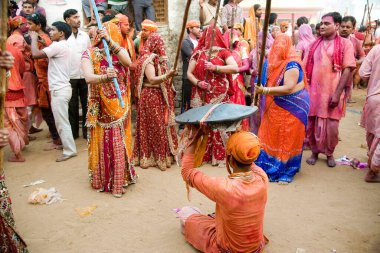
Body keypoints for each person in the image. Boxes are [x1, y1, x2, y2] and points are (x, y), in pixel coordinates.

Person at [178, 130, 268, 253]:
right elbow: (245, 157)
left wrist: (194, 138)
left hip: (227, 249)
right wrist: (234, 135)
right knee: (219, 217)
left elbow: (187, 172)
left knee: (188, 214)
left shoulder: (224, 188)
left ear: (230, 160)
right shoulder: (262, 177)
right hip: (255, 248)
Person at [81, 22, 137, 197]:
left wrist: (111, 43)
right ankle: (105, 180)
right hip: (101, 108)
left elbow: (128, 62)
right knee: (106, 142)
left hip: (120, 107)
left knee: (119, 143)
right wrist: (105, 77)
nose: (94, 38)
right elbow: (89, 78)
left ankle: (120, 181)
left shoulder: (117, 51)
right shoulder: (89, 54)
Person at [254, 34, 310, 183]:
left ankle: (287, 170)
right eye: (276, 45)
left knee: (288, 136)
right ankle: (268, 164)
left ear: (288, 47)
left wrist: (264, 91)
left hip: (292, 106)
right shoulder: (270, 62)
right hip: (274, 107)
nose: (278, 49)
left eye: (282, 46)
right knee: (273, 135)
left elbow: (289, 88)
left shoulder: (292, 64)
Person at [304, 12, 356, 167]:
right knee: (312, 123)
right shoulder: (313, 44)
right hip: (314, 92)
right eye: (322, 23)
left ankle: (329, 153)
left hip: (333, 91)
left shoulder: (346, 44)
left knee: (332, 127)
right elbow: (304, 65)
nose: (322, 26)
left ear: (337, 26)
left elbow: (348, 69)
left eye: (327, 23)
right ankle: (314, 151)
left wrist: (338, 93)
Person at [187, 26, 238, 166]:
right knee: (202, 123)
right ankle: (202, 154)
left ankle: (220, 156)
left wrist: (216, 68)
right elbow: (189, 73)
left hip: (219, 94)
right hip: (201, 94)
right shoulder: (198, 53)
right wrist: (198, 82)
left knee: (219, 123)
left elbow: (235, 68)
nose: (210, 37)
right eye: (208, 34)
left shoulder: (223, 53)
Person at [31, 21, 78, 162]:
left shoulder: (58, 46)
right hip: (63, 88)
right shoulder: (64, 45)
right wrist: (43, 43)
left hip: (59, 89)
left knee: (62, 122)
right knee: (62, 121)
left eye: (53, 30)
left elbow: (35, 54)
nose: (50, 32)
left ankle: (69, 150)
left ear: (61, 33)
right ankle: (67, 146)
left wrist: (33, 39)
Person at [133, 32, 178, 171]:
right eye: (160, 43)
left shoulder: (159, 59)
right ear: (154, 44)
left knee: (162, 125)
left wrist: (169, 77)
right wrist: (168, 75)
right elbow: (152, 79)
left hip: (159, 96)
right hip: (150, 96)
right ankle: (153, 158)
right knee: (155, 126)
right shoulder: (148, 59)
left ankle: (164, 155)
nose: (162, 46)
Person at [27, 13, 62, 151]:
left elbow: (44, 60)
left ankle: (57, 140)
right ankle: (56, 138)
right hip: (44, 80)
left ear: (39, 25)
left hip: (46, 81)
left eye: (30, 24)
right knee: (48, 111)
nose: (28, 27)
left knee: (48, 112)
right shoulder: (42, 39)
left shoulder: (42, 40)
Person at [8, 16, 41, 137]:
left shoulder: (13, 38)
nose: (27, 26)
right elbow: (18, 57)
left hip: (21, 73)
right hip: (24, 73)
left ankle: (27, 130)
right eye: (25, 24)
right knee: (28, 103)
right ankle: (24, 132)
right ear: (19, 26)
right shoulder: (17, 38)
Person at [64, 9, 91, 140]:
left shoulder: (84, 36)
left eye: (78, 17)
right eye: (75, 17)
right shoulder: (63, 37)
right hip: (70, 76)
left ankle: (87, 133)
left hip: (84, 75)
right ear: (67, 20)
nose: (78, 19)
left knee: (86, 104)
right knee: (72, 106)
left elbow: (89, 54)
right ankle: (73, 134)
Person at [359, 45, 380, 183]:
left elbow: (363, 73)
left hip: (374, 98)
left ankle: (372, 162)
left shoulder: (377, 49)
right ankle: (374, 170)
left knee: (373, 133)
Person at [224, 29, 250, 130]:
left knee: (238, 103)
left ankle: (240, 129)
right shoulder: (223, 51)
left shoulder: (241, 48)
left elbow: (246, 66)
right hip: (226, 80)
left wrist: (235, 69)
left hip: (237, 80)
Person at [339, 16, 365, 103]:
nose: (344, 29)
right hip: (334, 74)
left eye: (348, 27)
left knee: (344, 100)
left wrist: (355, 62)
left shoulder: (355, 42)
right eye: (342, 26)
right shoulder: (333, 40)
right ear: (338, 26)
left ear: (353, 29)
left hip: (348, 75)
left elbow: (363, 57)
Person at [181, 20, 201, 113]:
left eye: (199, 27)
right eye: (196, 27)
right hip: (188, 77)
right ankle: (183, 124)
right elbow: (193, 56)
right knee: (187, 100)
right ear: (190, 29)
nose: (199, 29)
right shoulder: (186, 42)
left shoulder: (198, 41)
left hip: (197, 76)